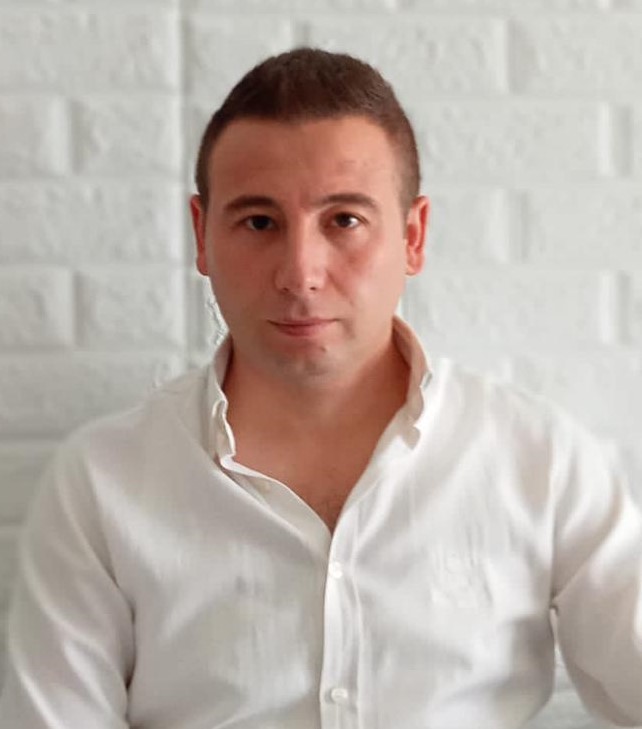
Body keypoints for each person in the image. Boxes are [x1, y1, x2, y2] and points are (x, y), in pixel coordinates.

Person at [1, 47, 641, 729]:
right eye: (259, 222)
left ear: (414, 236)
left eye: (344, 220)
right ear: (202, 236)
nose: (300, 273)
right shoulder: (101, 482)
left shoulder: (541, 461)